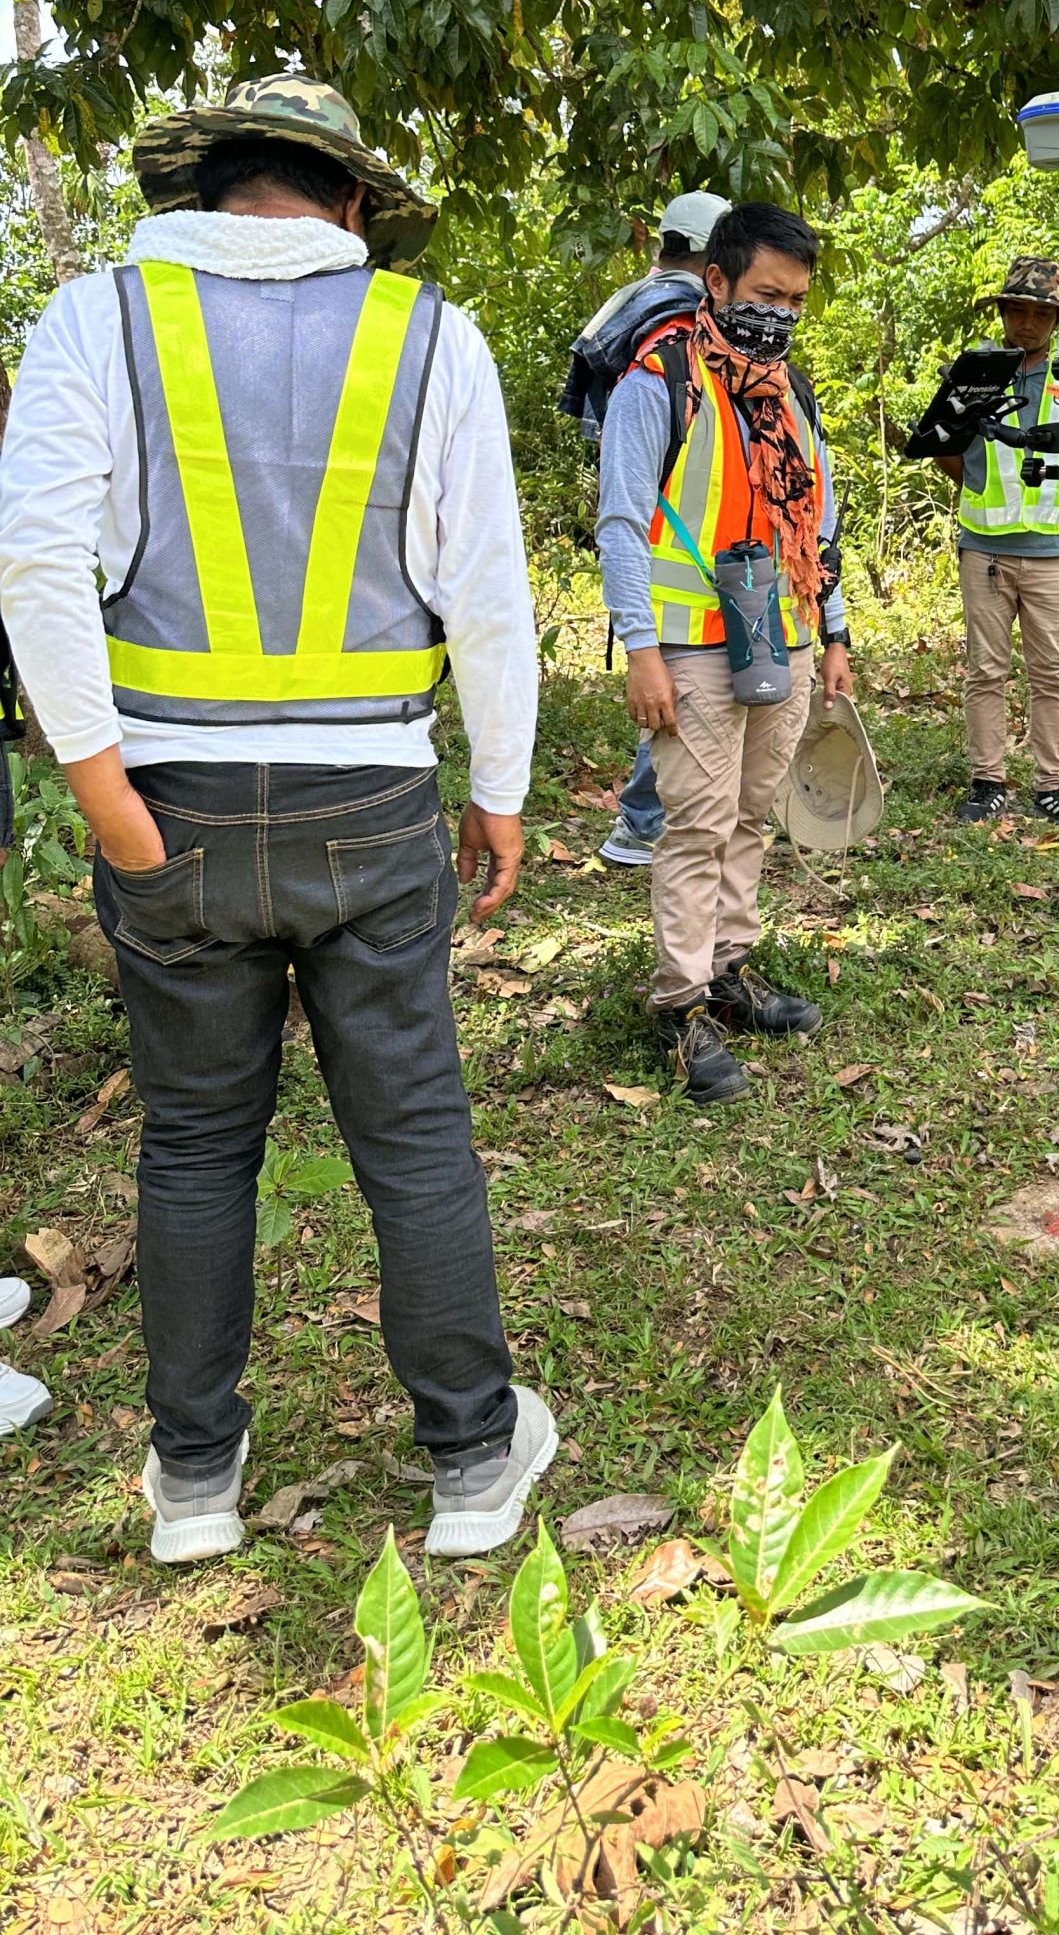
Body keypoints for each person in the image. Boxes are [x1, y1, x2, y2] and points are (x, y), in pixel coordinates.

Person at [0, 75, 552, 1565]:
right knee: (416, 1139)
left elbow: (39, 569)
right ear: (350, 201)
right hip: (371, 807)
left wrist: (106, 801)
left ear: (208, 188)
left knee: (191, 1148)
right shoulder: (427, 334)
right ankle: (471, 1467)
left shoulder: (96, 319)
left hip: (164, 809)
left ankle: (192, 1483)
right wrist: (499, 787)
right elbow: (486, 595)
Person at [596, 200, 852, 1106]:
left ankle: (729, 969)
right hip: (691, 646)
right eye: (766, 295)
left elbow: (816, 523)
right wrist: (639, 650)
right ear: (717, 282)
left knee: (750, 817)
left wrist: (833, 630)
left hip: (777, 639)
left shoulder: (791, 394)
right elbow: (622, 527)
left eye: (796, 301)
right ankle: (679, 1005)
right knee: (697, 827)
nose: (779, 315)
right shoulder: (656, 382)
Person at [565, 190, 731, 872]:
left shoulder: (633, 308)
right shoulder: (683, 327)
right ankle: (640, 823)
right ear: (715, 259)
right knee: (678, 688)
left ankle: (647, 821)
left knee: (674, 686)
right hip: (681, 534)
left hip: (652, 524)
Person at [937, 256, 1059, 823]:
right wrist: (979, 483)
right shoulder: (979, 368)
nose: (1028, 323)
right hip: (983, 546)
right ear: (1004, 311)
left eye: (1041, 313)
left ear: (1056, 320)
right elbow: (942, 443)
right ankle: (989, 781)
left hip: (1051, 551)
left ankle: (1052, 783)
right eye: (1018, 310)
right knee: (986, 669)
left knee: (1053, 671)